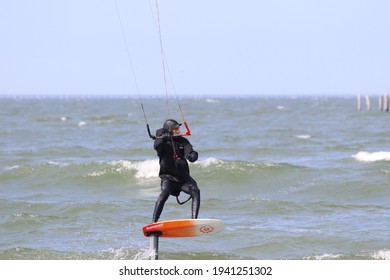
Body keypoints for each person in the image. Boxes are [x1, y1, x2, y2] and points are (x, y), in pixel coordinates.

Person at [152, 119, 200, 223]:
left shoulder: (183, 141)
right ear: (169, 130)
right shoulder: (162, 143)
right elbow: (156, 146)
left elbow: (189, 151)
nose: (178, 130)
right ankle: (154, 222)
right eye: (175, 129)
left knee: (195, 191)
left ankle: (194, 221)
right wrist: (163, 139)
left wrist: (193, 155)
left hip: (183, 178)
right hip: (168, 178)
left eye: (178, 128)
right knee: (164, 193)